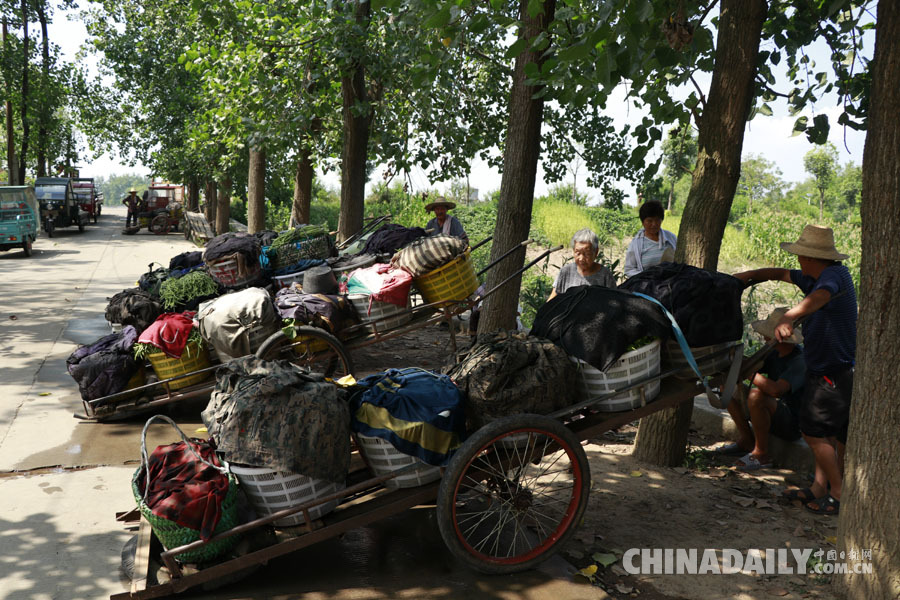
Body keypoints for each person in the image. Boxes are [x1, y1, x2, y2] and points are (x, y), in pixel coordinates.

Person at [733, 225, 857, 515]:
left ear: (811, 257)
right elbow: (779, 273)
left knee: (813, 432)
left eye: (801, 256)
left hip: (833, 371)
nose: (798, 261)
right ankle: (818, 487)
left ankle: (838, 493)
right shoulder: (812, 277)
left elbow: (822, 296)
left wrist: (790, 315)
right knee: (823, 432)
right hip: (822, 368)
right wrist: (747, 277)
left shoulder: (832, 277)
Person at [717, 307, 806, 471]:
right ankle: (746, 440)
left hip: (793, 423)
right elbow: (753, 364)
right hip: (775, 412)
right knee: (727, 388)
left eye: (768, 334)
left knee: (756, 395)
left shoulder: (800, 361)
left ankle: (761, 454)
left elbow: (776, 390)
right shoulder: (773, 353)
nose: (764, 337)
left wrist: (748, 372)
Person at [547, 228, 616, 301]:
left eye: (587, 254)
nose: (581, 258)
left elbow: (614, 301)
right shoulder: (566, 272)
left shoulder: (605, 275)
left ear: (596, 252)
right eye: (578, 253)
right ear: (573, 251)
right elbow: (552, 299)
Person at [624, 200, 677, 278]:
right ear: (643, 222)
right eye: (649, 221)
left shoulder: (671, 238)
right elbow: (629, 269)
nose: (654, 224)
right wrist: (646, 276)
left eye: (657, 220)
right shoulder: (636, 244)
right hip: (646, 283)